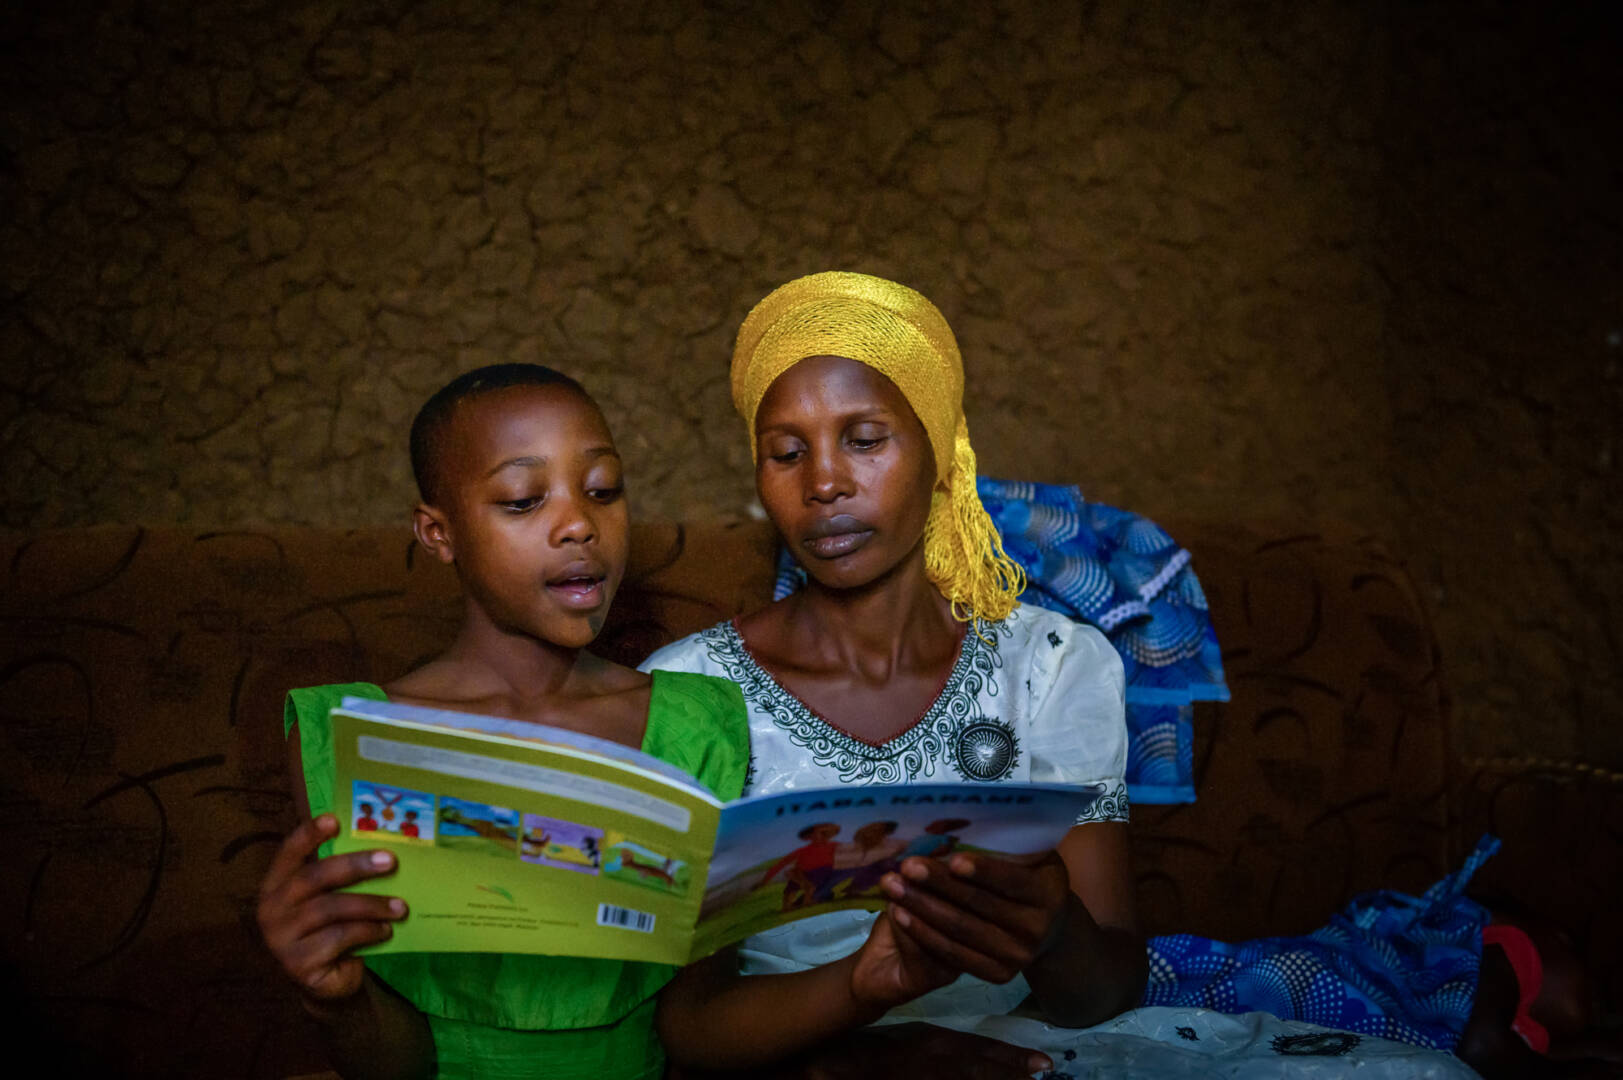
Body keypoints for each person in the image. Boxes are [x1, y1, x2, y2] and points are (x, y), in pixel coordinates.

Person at [643, 271, 1145, 1078]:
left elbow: (1107, 993)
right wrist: (862, 1034)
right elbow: (688, 1028)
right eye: (785, 453)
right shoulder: (690, 693)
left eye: (865, 438)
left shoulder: (1047, 667)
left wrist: (1050, 927)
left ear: (941, 453)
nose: (823, 484)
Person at [254, 364, 749, 1080]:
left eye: (604, 490)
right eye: (523, 499)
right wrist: (334, 1000)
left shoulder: (697, 722)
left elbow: (701, 1027)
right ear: (438, 532)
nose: (580, 523)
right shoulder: (353, 736)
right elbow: (396, 1065)